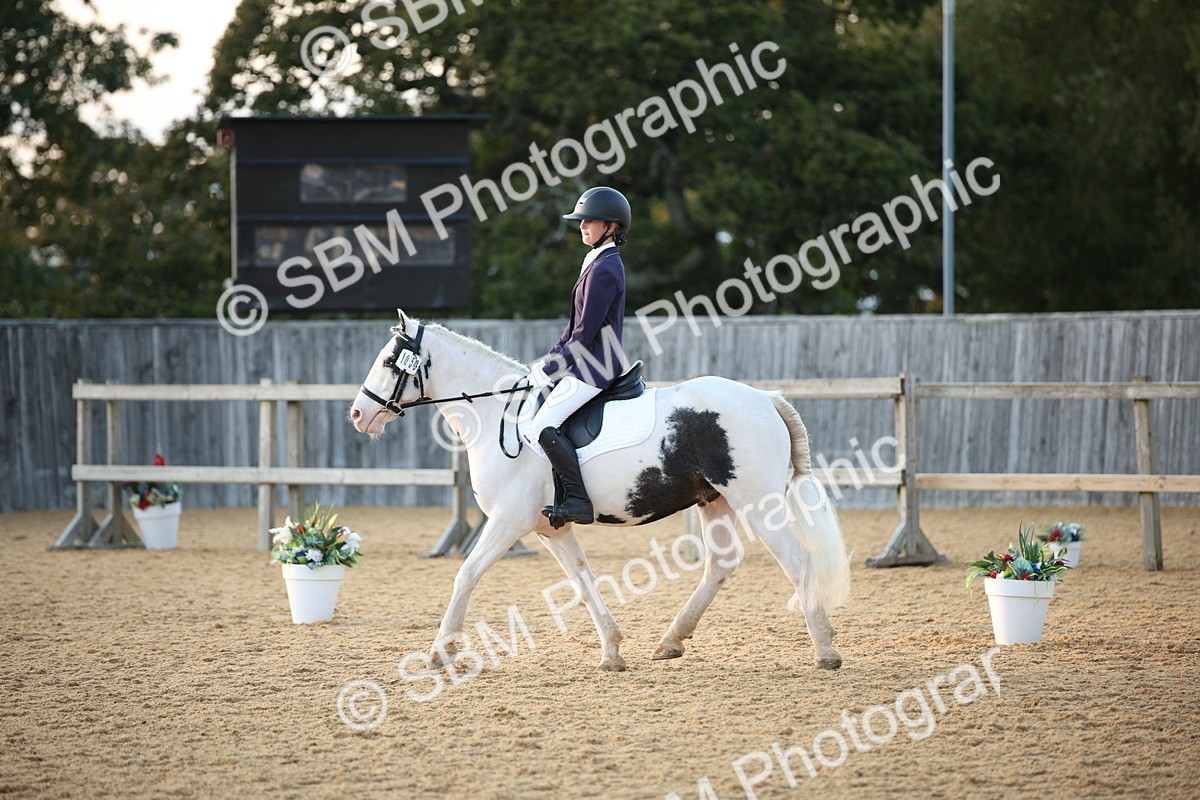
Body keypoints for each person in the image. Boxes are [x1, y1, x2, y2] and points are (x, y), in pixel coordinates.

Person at [528, 186, 631, 528]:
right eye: (581, 221)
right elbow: (572, 332)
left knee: (542, 425)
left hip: (597, 368)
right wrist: (547, 362)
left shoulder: (604, 268)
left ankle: (577, 500)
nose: (583, 226)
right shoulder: (597, 261)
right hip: (588, 362)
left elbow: (585, 336)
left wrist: (553, 368)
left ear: (612, 226)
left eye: (590, 221)